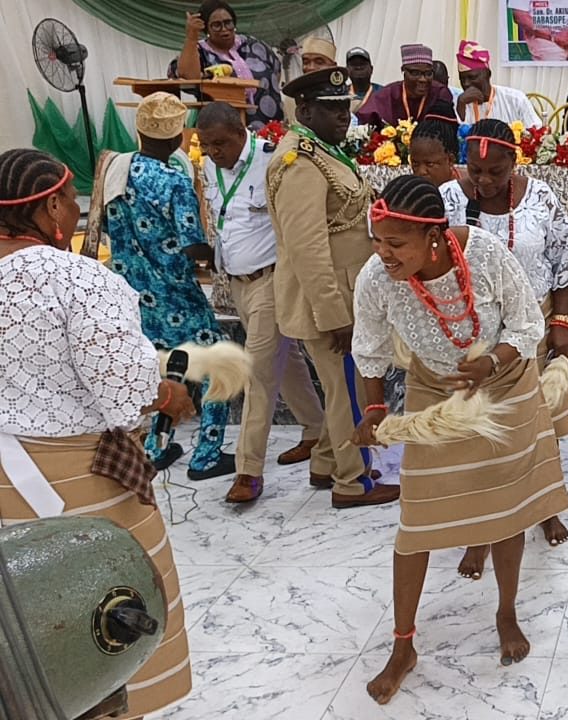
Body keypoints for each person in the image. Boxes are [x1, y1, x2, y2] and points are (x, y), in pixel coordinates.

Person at [354, 175, 568, 704]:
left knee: (507, 511)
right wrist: (375, 410)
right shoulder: (377, 277)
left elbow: (526, 326)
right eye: (377, 241)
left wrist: (490, 363)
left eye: (395, 243)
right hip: (436, 390)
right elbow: (370, 347)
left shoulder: (487, 255)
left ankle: (506, 613)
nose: (383, 254)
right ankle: (403, 645)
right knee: (416, 526)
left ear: (434, 237)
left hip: (505, 385)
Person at [0, 148, 195, 718]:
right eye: (71, 199)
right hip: (80, 481)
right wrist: (169, 393)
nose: (76, 210)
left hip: (6, 487)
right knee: (108, 612)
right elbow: (126, 389)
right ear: (50, 209)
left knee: (27, 625)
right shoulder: (76, 278)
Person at [439, 118, 568, 578]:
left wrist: (560, 322)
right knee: (481, 430)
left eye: (495, 172)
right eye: (475, 170)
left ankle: (544, 506)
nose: (483, 181)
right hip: (471, 335)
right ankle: (482, 530)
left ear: (514, 162)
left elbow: (565, 257)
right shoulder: (448, 199)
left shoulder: (540, 196)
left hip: (532, 327)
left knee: (537, 423)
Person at [267, 68, 399, 508]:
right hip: (329, 303)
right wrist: (334, 316)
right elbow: (307, 248)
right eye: (331, 108)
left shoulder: (321, 150)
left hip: (345, 292)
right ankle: (352, 482)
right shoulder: (299, 164)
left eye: (345, 107)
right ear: (304, 111)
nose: (343, 116)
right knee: (347, 393)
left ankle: (326, 464)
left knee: (340, 389)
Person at [93, 92, 234, 481]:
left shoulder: (116, 171)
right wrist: (220, 252)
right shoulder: (174, 180)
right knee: (217, 365)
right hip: (177, 293)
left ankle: (156, 447)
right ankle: (207, 455)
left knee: (164, 369)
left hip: (135, 294)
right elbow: (192, 245)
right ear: (177, 136)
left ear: (140, 131)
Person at [195, 102, 328, 503]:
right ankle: (316, 429)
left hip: (271, 280)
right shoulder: (209, 167)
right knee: (288, 363)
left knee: (257, 371)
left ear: (241, 133)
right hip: (236, 282)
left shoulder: (273, 161)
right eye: (206, 145)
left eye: (220, 143)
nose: (213, 152)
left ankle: (248, 470)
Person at [172, 0, 283, 130]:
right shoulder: (199, 51)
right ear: (206, 28)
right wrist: (191, 38)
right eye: (216, 25)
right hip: (223, 129)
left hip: (270, 125)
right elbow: (188, 78)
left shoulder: (254, 45)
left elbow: (276, 71)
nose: (224, 29)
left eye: (228, 23)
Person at [356, 44, 454, 127]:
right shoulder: (387, 95)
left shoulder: (440, 93)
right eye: (415, 73)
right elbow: (364, 124)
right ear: (403, 71)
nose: (423, 79)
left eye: (428, 73)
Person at [456, 40, 543, 128]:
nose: (466, 84)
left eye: (472, 77)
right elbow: (457, 134)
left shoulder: (515, 99)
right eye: (462, 79)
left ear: (488, 74)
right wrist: (460, 107)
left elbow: (537, 130)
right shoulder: (459, 102)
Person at [408, 104, 463, 188]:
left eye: (429, 164)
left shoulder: (466, 190)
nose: (421, 172)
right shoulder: (409, 190)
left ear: (450, 160)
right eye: (415, 164)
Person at [347, 47, 382, 113]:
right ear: (347, 70)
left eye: (362, 64)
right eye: (354, 64)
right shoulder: (341, 95)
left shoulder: (383, 93)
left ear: (371, 69)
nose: (358, 67)